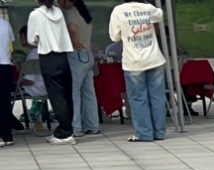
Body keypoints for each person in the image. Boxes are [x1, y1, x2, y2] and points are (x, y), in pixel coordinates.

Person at [109, 0, 166, 142]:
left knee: (138, 98)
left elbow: (114, 36)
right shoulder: (148, 8)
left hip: (133, 61)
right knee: (157, 97)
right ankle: (159, 132)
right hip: (154, 59)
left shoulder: (118, 10)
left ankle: (144, 133)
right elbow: (159, 14)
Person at [27, 0, 76, 145]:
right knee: (67, 93)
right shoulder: (58, 11)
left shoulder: (35, 14)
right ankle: (66, 128)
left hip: (48, 56)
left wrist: (43, 40)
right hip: (63, 55)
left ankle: (65, 133)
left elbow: (31, 39)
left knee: (56, 95)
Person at [61, 0, 98, 137]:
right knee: (89, 93)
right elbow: (92, 29)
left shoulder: (69, 12)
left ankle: (76, 127)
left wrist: (73, 41)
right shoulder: (83, 12)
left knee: (73, 92)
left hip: (76, 55)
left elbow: (72, 28)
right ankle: (93, 125)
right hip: (87, 53)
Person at [0, 16, 14, 147]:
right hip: (5, 65)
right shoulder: (5, 24)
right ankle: (7, 135)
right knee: (5, 102)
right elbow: (9, 42)